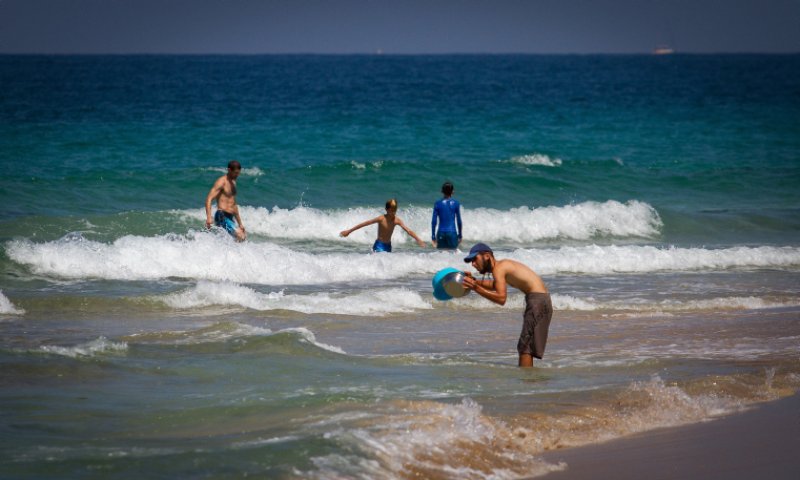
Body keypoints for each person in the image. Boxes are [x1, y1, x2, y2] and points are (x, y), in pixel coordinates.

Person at [461, 243, 552, 367]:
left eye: (475, 259)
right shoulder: (501, 267)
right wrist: (475, 282)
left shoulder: (499, 268)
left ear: (487, 256)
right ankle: (529, 380)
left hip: (538, 301)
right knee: (526, 346)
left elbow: (501, 299)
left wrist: (476, 287)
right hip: (540, 300)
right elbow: (495, 285)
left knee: (525, 348)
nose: (473, 264)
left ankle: (527, 382)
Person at [340, 199, 427, 252]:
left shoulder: (397, 220)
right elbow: (364, 224)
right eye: (391, 210)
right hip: (379, 245)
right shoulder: (381, 219)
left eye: (394, 210)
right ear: (386, 209)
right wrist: (349, 231)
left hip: (388, 246)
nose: (393, 212)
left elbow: (408, 231)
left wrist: (418, 240)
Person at [205, 160, 246, 242]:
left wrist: (240, 223)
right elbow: (209, 199)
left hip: (230, 217)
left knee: (240, 237)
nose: (237, 175)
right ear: (229, 170)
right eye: (236, 173)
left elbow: (234, 205)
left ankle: (231, 254)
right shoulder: (221, 182)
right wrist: (209, 217)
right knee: (240, 236)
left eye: (238, 173)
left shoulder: (233, 183)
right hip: (222, 215)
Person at [431, 181, 462, 249]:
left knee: (440, 255)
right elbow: (459, 221)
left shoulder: (437, 203)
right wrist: (460, 235)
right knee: (453, 255)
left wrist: (433, 235)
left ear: (442, 191)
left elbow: (434, 221)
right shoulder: (456, 203)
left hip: (441, 233)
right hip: (452, 233)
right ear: (452, 191)